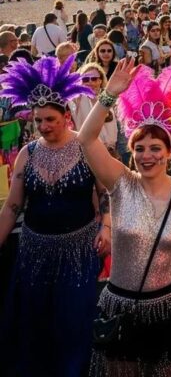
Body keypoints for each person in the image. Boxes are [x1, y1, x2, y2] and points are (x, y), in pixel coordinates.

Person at [77, 58, 171, 376]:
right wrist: (108, 94)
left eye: (155, 148)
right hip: (120, 306)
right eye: (139, 148)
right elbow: (85, 140)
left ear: (170, 151)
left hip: (168, 307)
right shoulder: (120, 183)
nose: (146, 156)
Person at [0, 55, 109, 376]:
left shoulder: (87, 148)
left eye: (50, 119)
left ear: (67, 116)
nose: (44, 126)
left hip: (78, 252)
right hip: (34, 253)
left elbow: (106, 194)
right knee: (35, 322)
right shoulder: (27, 154)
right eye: (38, 121)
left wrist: (107, 226)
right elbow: (12, 207)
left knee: (74, 321)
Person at [70, 63, 119, 156]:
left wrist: (94, 99)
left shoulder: (107, 98)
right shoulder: (76, 99)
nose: (90, 82)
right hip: (84, 151)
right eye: (85, 79)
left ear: (100, 80)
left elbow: (109, 119)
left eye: (94, 79)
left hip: (108, 150)